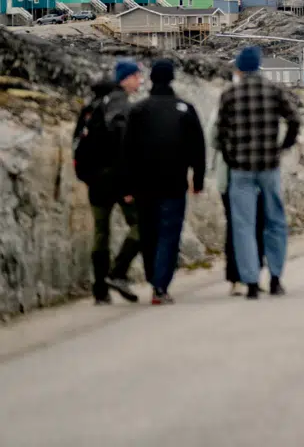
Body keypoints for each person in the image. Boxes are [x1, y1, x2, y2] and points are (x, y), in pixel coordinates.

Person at [216, 46, 302, 299]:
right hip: (269, 166)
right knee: (274, 221)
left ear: (239, 68)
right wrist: (283, 146)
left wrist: (231, 156)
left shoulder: (230, 94)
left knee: (243, 225)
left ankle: (251, 281)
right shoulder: (273, 90)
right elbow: (294, 120)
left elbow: (220, 133)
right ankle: (275, 278)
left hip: (241, 168)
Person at [122, 59, 205, 305]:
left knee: (149, 232)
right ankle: (160, 285)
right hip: (174, 182)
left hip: (143, 184)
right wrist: (198, 179)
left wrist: (126, 185)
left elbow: (126, 151)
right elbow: (197, 148)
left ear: (151, 79)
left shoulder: (138, 110)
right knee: (169, 233)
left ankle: (153, 278)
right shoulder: (184, 109)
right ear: (172, 79)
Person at [72, 59, 145, 304]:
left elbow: (77, 141)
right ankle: (118, 272)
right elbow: (123, 144)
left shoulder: (93, 104)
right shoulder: (119, 102)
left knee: (101, 233)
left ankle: (100, 291)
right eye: (136, 76)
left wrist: (86, 175)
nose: (139, 81)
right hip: (117, 179)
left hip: (95, 181)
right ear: (125, 78)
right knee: (142, 224)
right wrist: (128, 183)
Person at [219, 153, 267, 296]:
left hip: (256, 180)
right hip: (234, 178)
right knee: (238, 228)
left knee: (256, 227)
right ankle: (238, 277)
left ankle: (252, 274)